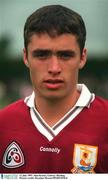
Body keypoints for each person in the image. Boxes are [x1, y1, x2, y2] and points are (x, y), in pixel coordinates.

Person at [0, 4, 108, 174]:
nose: (54, 67)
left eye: (65, 55)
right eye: (41, 55)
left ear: (82, 57)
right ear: (26, 57)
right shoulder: (3, 123)